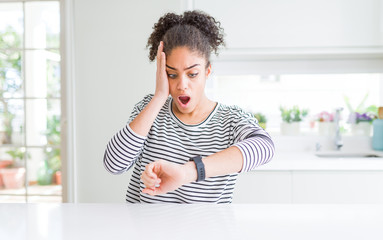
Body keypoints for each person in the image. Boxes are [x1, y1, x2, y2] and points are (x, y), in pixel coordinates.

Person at [103, 10, 275, 203]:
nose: (182, 85)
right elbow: (114, 164)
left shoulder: (230, 119)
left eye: (192, 74)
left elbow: (265, 147)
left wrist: (188, 172)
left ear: (207, 71)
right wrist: (160, 96)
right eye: (172, 74)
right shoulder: (149, 109)